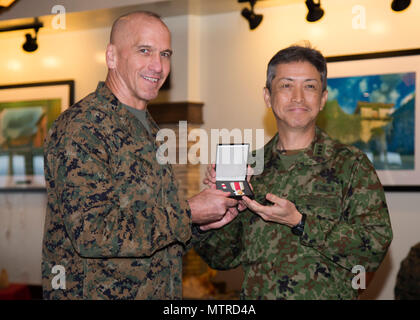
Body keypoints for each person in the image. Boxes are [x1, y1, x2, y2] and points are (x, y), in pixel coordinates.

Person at [41, 11, 238, 300]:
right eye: (144, 50)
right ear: (111, 57)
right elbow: (92, 234)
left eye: (165, 54)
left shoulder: (148, 129)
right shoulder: (83, 126)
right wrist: (190, 211)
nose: (158, 65)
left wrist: (203, 220)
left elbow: (157, 236)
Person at [195, 44, 393, 300]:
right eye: (286, 85)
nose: (298, 97)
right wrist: (217, 216)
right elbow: (221, 258)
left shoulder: (351, 164)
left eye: (309, 86)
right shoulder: (248, 167)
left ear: (322, 98)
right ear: (268, 96)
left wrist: (300, 222)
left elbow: (374, 245)